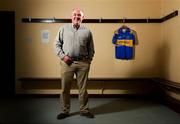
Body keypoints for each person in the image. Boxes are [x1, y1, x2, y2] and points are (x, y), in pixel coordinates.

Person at [54, 9, 95, 119]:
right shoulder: (63, 29)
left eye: (79, 15)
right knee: (65, 88)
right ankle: (65, 111)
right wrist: (63, 57)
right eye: (75, 15)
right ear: (71, 16)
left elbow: (91, 49)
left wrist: (88, 61)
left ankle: (84, 110)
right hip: (67, 63)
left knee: (83, 89)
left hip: (83, 63)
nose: (77, 17)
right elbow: (56, 45)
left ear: (83, 18)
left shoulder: (87, 31)